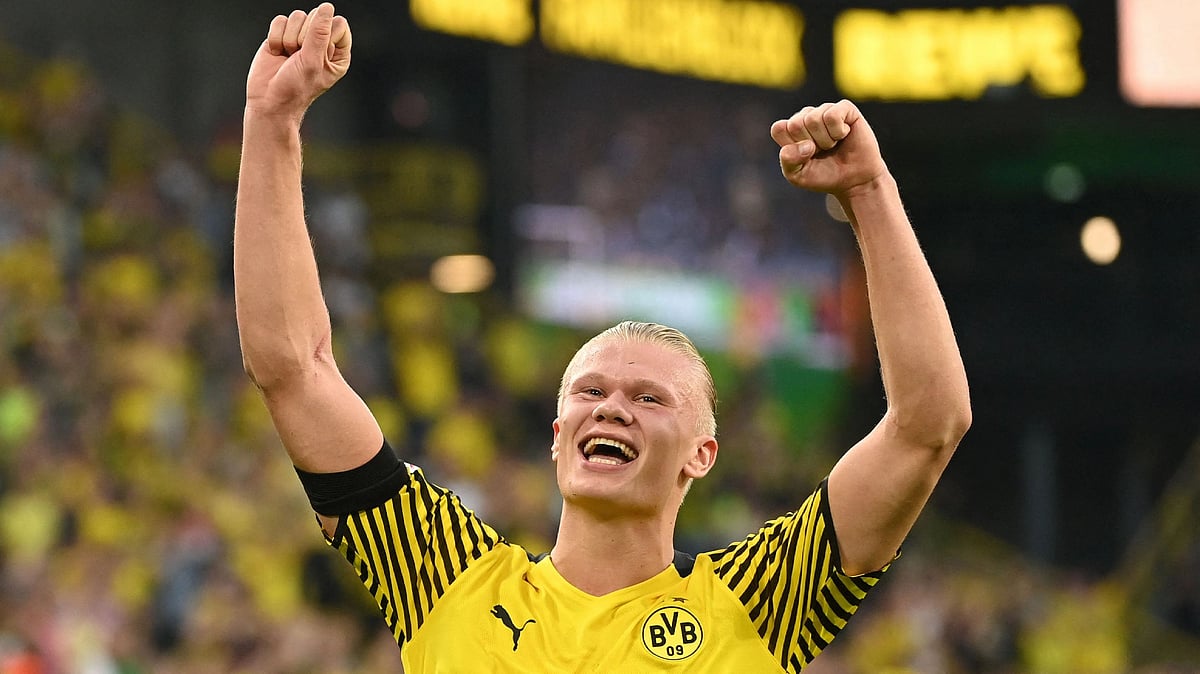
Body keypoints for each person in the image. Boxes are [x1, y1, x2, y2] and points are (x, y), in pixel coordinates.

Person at [233, 4, 971, 671]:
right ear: (558, 435)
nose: (611, 407)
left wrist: (871, 196)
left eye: (650, 398)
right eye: (590, 390)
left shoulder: (757, 600)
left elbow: (927, 426)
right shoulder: (446, 576)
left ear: (701, 454)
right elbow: (295, 368)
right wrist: (271, 123)